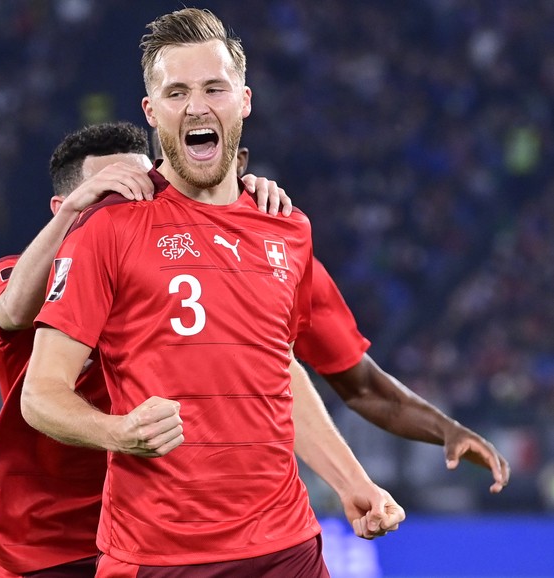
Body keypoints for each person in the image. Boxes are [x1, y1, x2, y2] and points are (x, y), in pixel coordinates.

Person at [21, 8, 403, 575]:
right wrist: (118, 432)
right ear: (153, 113)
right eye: (177, 92)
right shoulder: (110, 228)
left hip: (287, 548)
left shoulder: (287, 228)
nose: (197, 105)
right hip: (158, 558)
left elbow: (276, 367)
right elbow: (40, 393)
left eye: (213, 88)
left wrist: (350, 480)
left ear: (243, 100)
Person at [0, 122, 291, 577]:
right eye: (110, 194)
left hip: (150, 531)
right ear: (62, 206)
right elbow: (10, 313)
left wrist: (242, 195)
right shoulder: (15, 272)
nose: (129, 207)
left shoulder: (169, 279)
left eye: (142, 189)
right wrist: (77, 214)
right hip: (43, 543)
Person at [234, 146, 512, 494]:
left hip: (258, 514)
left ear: (241, 163)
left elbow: (363, 387)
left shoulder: (285, 258)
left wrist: (447, 429)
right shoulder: (146, 229)